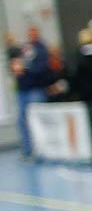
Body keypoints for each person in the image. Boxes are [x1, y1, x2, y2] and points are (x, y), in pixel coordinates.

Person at [11, 25, 56, 159]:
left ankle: (41, 149)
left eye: (33, 31)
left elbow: (41, 69)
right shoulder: (24, 48)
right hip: (23, 89)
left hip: (35, 89)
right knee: (22, 120)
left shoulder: (41, 49)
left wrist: (25, 68)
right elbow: (15, 61)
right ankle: (27, 148)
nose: (30, 34)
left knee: (37, 119)